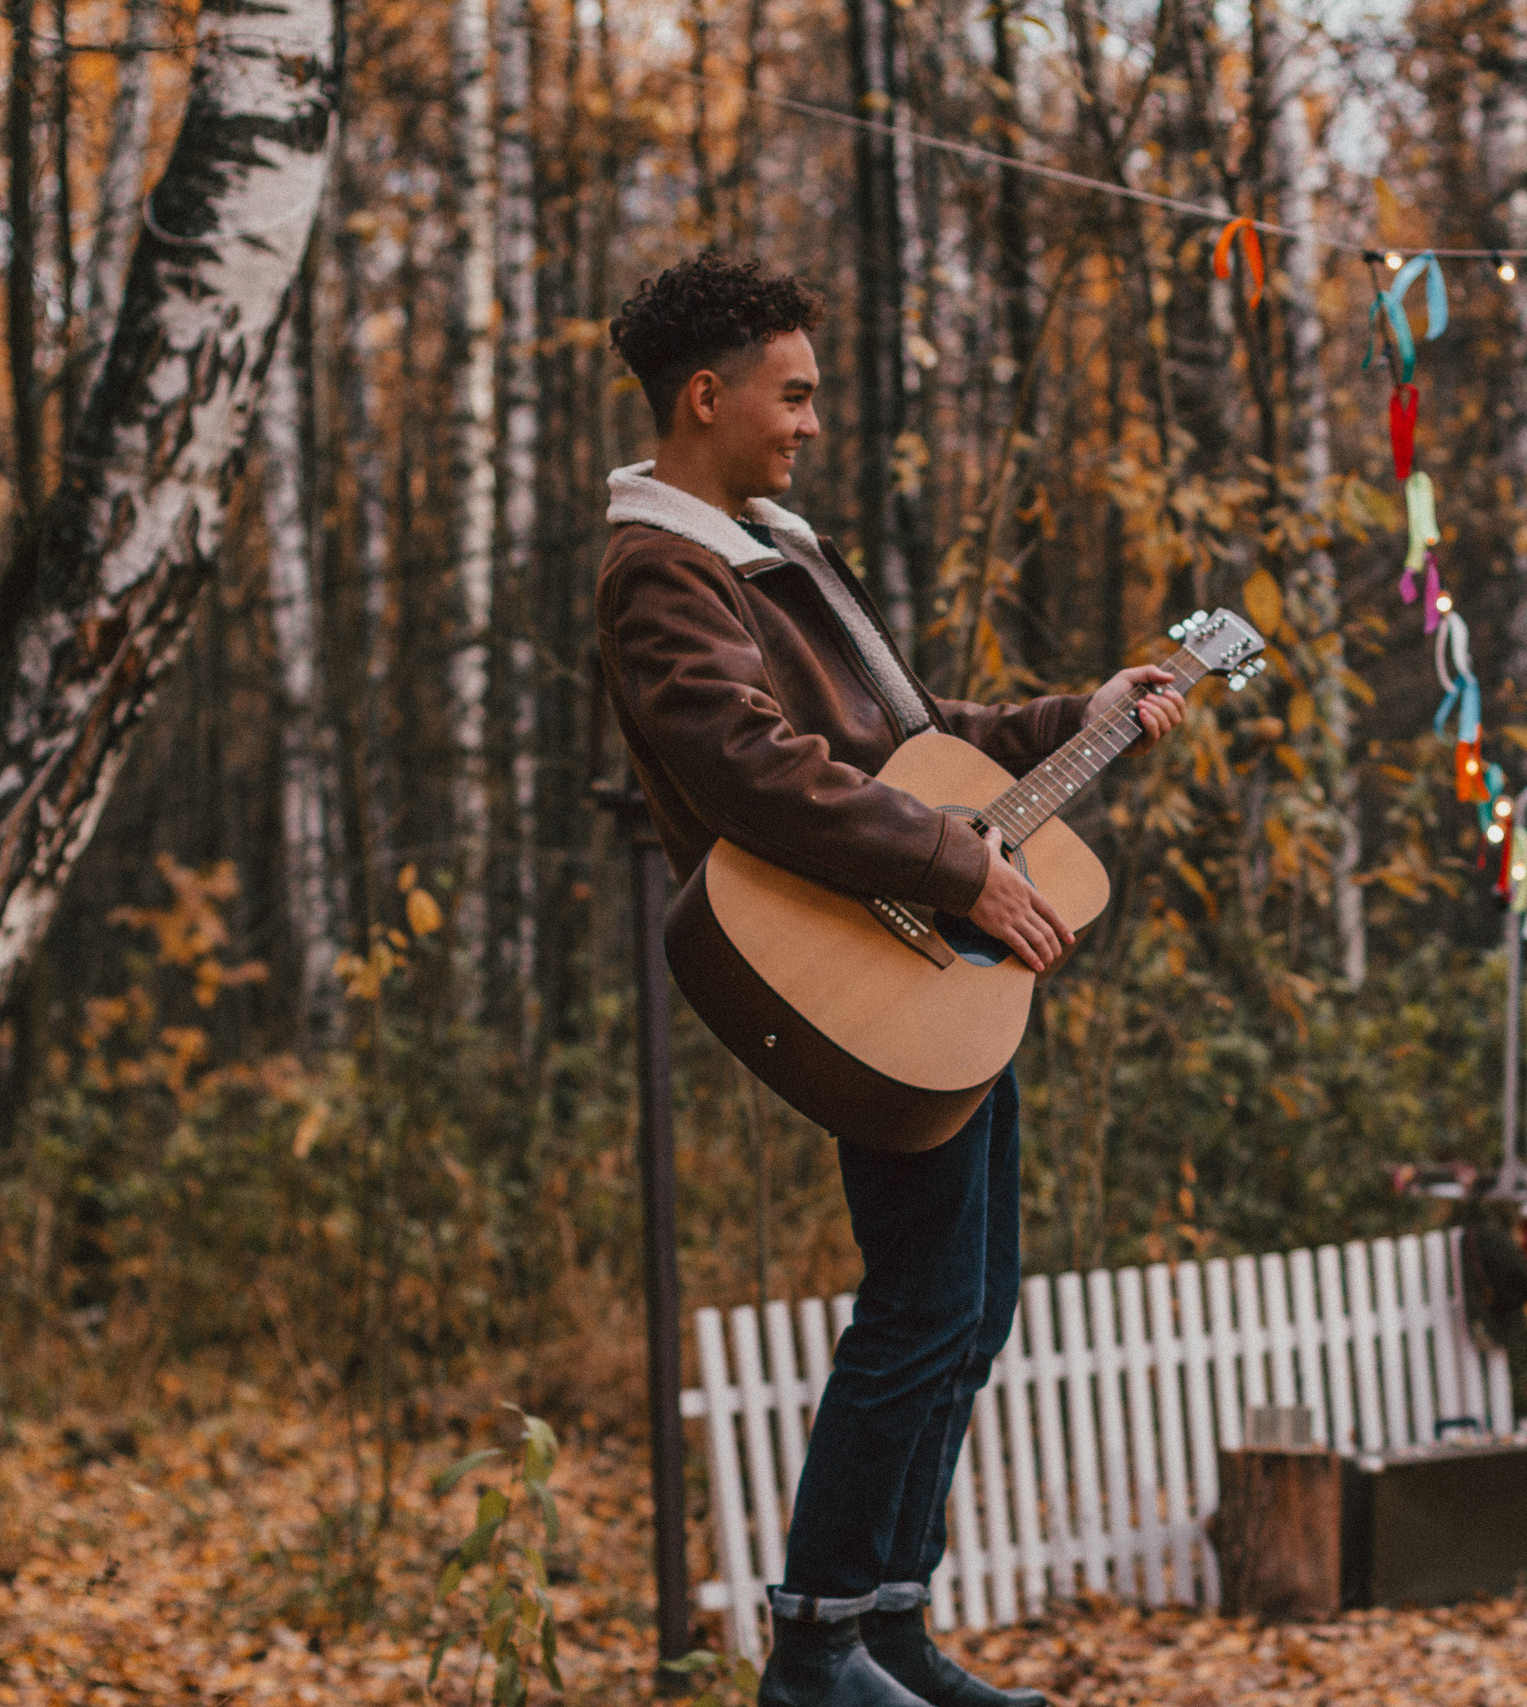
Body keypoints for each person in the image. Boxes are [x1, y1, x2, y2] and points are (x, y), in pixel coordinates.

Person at [592, 254, 1185, 1707]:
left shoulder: (770, 543)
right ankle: (812, 1643)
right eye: (789, 393)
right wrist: (960, 871)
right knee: (921, 1295)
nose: (808, 421)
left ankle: (889, 1621)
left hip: (930, 942)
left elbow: (913, 735)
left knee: (972, 1295)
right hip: (866, 951)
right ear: (706, 395)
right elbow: (752, 768)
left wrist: (1079, 713)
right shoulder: (660, 569)